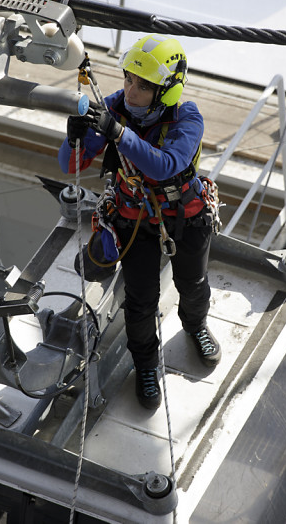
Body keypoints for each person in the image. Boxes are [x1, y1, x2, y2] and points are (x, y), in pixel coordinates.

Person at [58, 34, 220, 410]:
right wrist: (75, 139)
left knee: (192, 284)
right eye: (128, 78)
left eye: (142, 85)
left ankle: (195, 326)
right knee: (140, 301)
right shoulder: (114, 108)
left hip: (185, 217)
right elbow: (71, 166)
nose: (130, 90)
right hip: (135, 220)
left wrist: (117, 133)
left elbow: (164, 166)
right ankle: (146, 364)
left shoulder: (187, 117)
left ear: (164, 91)